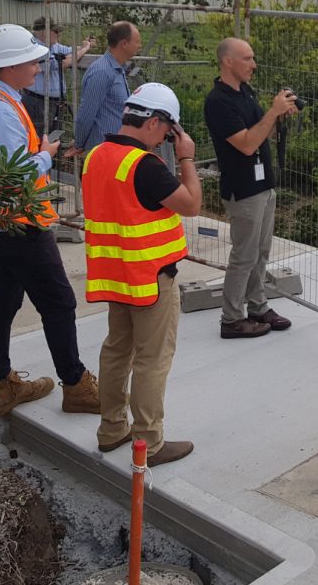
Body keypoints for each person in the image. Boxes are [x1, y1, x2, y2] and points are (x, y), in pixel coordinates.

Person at [0, 24, 99, 417]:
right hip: (18, 218)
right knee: (58, 303)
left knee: (3, 298)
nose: (38, 68)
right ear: (9, 66)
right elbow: (19, 172)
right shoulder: (1, 109)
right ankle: (76, 386)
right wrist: (47, 155)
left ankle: (1, 384)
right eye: (32, 62)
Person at [82, 82, 201, 466]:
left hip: (115, 275)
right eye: (168, 131)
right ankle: (148, 441)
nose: (168, 139)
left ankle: (111, 428)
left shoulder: (97, 155)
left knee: (117, 350)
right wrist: (186, 160)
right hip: (151, 277)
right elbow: (192, 205)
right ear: (154, 122)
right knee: (153, 358)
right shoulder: (144, 166)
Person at [203, 38, 299, 339]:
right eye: (247, 59)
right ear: (228, 61)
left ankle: (258, 307)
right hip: (243, 188)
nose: (253, 64)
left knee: (261, 252)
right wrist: (271, 112)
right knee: (244, 255)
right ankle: (231, 319)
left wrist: (278, 114)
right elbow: (245, 145)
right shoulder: (217, 102)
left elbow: (261, 133)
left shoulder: (245, 91)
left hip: (263, 184)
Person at [72, 21, 141, 157]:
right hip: (102, 153)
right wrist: (79, 144)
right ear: (124, 44)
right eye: (137, 41)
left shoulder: (116, 69)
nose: (139, 46)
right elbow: (86, 114)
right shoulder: (102, 72)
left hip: (114, 151)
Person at [23, 17, 93, 135]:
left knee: (54, 137)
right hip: (37, 102)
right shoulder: (35, 48)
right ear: (45, 32)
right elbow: (63, 63)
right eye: (56, 31)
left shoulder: (52, 45)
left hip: (52, 102)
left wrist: (85, 45)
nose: (59, 34)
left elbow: (70, 50)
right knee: (39, 138)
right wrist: (85, 48)